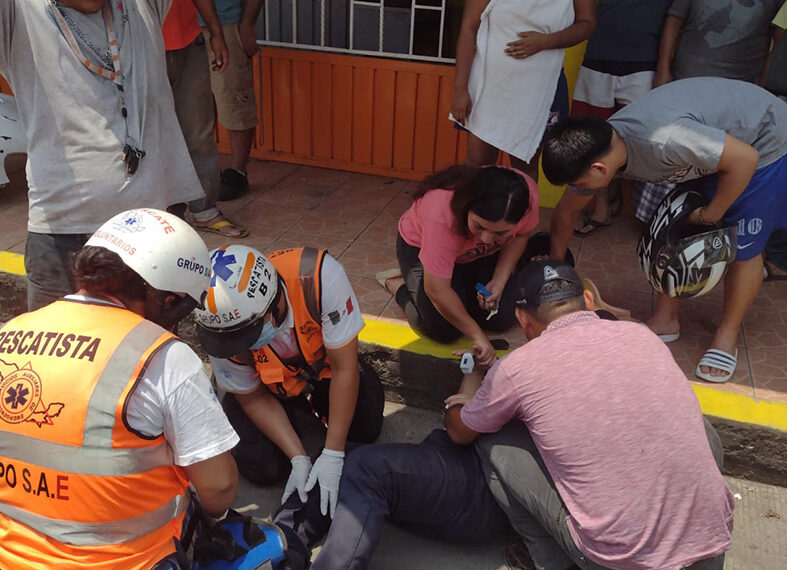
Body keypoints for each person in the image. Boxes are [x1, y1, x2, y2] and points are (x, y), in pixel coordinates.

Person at [444, 259, 734, 570]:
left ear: (522, 318)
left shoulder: (516, 369)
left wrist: (462, 401)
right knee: (699, 427)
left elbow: (460, 432)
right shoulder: (641, 335)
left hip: (622, 561)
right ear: (588, 300)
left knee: (493, 439)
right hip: (709, 543)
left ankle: (551, 562)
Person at [0, 208, 239, 569]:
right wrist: (213, 517)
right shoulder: (162, 356)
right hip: (130, 560)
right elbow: (218, 487)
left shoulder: (12, 331)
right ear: (167, 298)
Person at [542, 77, 787, 382]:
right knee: (670, 226)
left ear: (599, 169)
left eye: (580, 184)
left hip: (763, 142)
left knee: (745, 246)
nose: (578, 189)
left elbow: (745, 158)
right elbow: (566, 212)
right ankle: (665, 320)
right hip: (718, 144)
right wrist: (557, 274)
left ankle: (728, 333)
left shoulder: (664, 141)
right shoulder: (601, 146)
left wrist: (712, 213)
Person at [0, 0, 210, 310]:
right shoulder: (18, 12)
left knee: (145, 341)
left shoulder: (140, 5)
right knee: (58, 339)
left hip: (151, 236)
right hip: (62, 232)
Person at [194, 245, 385, 518]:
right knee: (263, 467)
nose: (240, 345)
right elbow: (252, 397)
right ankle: (294, 419)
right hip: (268, 387)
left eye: (246, 335)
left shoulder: (318, 277)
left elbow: (344, 368)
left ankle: (311, 411)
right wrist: (298, 457)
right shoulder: (219, 330)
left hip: (326, 370)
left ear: (273, 306)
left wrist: (333, 453)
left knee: (364, 425)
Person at [391, 165, 540, 366]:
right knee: (443, 328)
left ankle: (459, 286)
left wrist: (499, 280)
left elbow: (521, 235)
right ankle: (400, 287)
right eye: (479, 226)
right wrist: (477, 335)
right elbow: (437, 290)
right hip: (420, 245)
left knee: (501, 316)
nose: (486, 239)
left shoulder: (527, 196)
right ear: (466, 206)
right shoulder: (441, 213)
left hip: (473, 254)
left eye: (500, 233)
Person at [450, 0, 596, 181]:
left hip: (539, 88)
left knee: (525, 167)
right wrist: (460, 88)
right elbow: (469, 27)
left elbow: (587, 23)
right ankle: (473, 201)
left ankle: (523, 201)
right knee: (478, 162)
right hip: (490, 85)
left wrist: (548, 41)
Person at [568, 0, 672, 235]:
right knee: (592, 139)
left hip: (645, 62)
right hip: (598, 56)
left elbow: (675, 18)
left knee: (643, 142)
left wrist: (664, 68)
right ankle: (601, 208)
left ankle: (643, 211)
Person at [163, 0, 248, 237]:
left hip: (189, 40)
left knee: (199, 132)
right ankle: (153, 215)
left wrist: (216, 33)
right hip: (140, 45)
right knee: (147, 135)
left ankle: (204, 211)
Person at [201, 0, 263, 200]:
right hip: (183, 29)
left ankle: (238, 172)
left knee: (234, 97)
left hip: (226, 24)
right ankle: (203, 171)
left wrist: (247, 23)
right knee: (194, 105)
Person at [655, 0, 783, 87]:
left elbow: (778, 45)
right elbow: (675, 19)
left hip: (740, 87)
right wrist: (663, 69)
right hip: (685, 79)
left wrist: (761, 86)